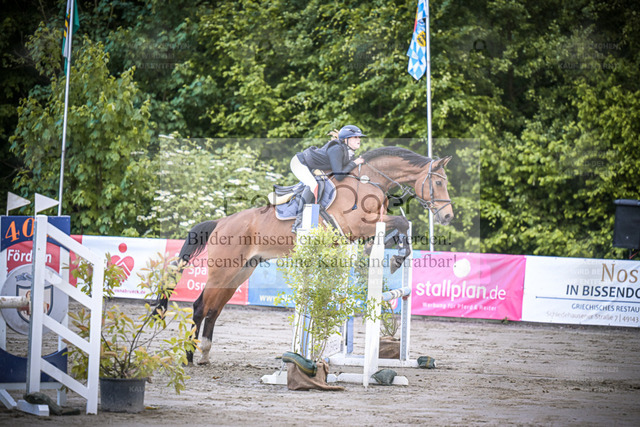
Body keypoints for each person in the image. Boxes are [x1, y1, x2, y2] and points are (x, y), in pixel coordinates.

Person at [289, 124, 366, 232]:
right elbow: (339, 175)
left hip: (311, 166)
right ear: (346, 140)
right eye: (355, 137)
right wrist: (354, 163)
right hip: (300, 163)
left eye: (359, 137)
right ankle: (298, 222)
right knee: (314, 185)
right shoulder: (336, 149)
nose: (359, 140)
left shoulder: (347, 151)